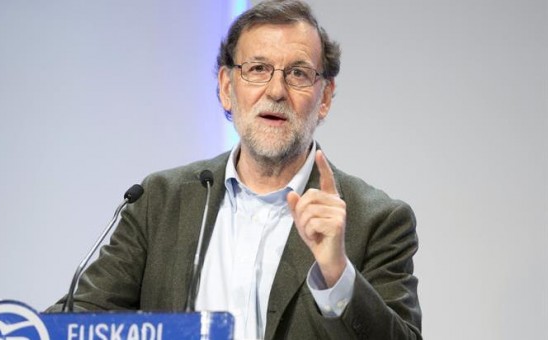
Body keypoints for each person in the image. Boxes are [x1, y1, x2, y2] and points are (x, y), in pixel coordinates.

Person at [49, 1, 421, 339]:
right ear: (227, 88)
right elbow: (82, 318)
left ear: (324, 97)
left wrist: (338, 274)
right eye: (257, 69)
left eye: (298, 73)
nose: (276, 90)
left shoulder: (377, 220)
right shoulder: (159, 201)